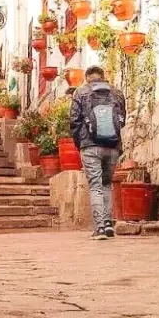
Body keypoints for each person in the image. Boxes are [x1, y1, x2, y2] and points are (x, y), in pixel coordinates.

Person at [70, 66, 127, 240]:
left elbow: (73, 121)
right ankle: (109, 224)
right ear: (103, 77)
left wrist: (81, 143)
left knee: (95, 185)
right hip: (112, 146)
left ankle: (100, 228)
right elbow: (122, 120)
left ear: (87, 78)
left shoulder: (80, 92)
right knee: (106, 184)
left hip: (90, 146)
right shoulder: (117, 93)